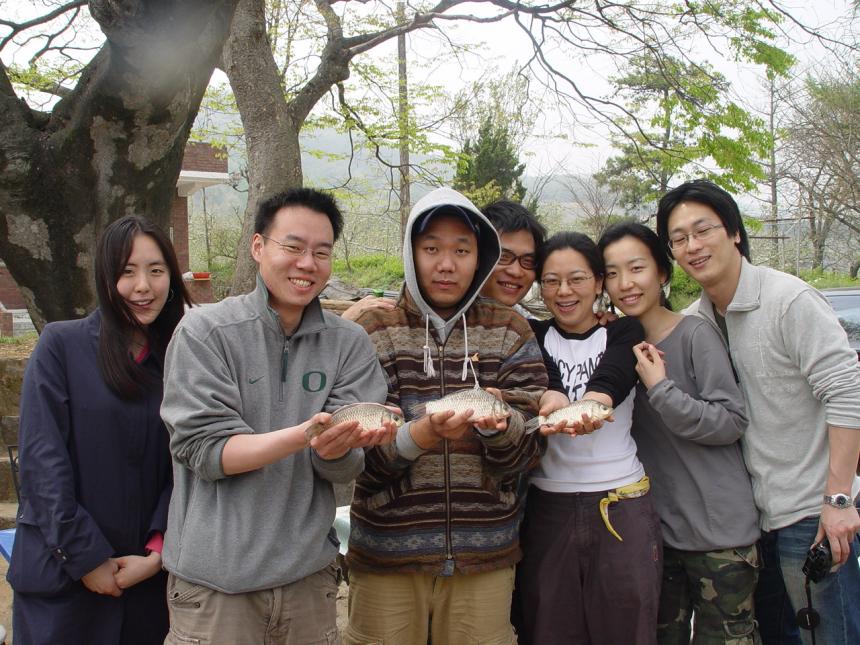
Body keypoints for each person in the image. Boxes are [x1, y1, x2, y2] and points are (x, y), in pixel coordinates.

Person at [159, 188, 398, 645]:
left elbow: (344, 468)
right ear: (258, 246)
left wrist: (335, 448)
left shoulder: (348, 343)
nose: (307, 264)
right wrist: (307, 433)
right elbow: (206, 452)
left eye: (321, 252)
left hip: (307, 582)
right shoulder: (205, 332)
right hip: (216, 589)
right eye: (293, 247)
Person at [655, 179, 860, 645]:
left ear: (734, 233)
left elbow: (847, 393)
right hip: (752, 523)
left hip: (810, 515)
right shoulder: (696, 322)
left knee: (830, 636)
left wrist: (838, 499)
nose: (692, 246)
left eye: (702, 230)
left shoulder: (788, 300)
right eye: (679, 238)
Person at [345, 187, 549, 645]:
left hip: (485, 556)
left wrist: (500, 431)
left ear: (480, 258)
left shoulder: (509, 330)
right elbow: (356, 463)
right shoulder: (373, 331)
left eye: (462, 250)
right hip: (387, 558)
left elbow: (530, 452)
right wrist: (417, 436)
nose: (446, 264)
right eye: (432, 248)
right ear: (411, 253)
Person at [8, 216, 191, 644]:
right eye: (127, 272)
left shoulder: (181, 358)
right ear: (106, 277)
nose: (143, 286)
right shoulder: (61, 345)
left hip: (147, 582)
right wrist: (86, 557)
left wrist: (159, 551)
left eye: (156, 270)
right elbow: (42, 461)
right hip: (62, 578)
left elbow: (186, 462)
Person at [598, 221, 761, 644]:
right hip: (658, 536)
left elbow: (731, 421)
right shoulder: (613, 346)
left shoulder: (694, 333)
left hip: (719, 536)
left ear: (663, 273)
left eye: (637, 268)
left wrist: (661, 389)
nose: (625, 283)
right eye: (612, 273)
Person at [513, 231, 659, 645]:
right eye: (551, 281)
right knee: (548, 627)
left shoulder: (625, 331)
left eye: (576, 279)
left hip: (621, 502)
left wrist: (591, 405)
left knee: (626, 628)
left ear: (598, 282)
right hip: (548, 505)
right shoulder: (530, 334)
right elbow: (547, 379)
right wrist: (555, 398)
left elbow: (611, 379)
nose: (564, 291)